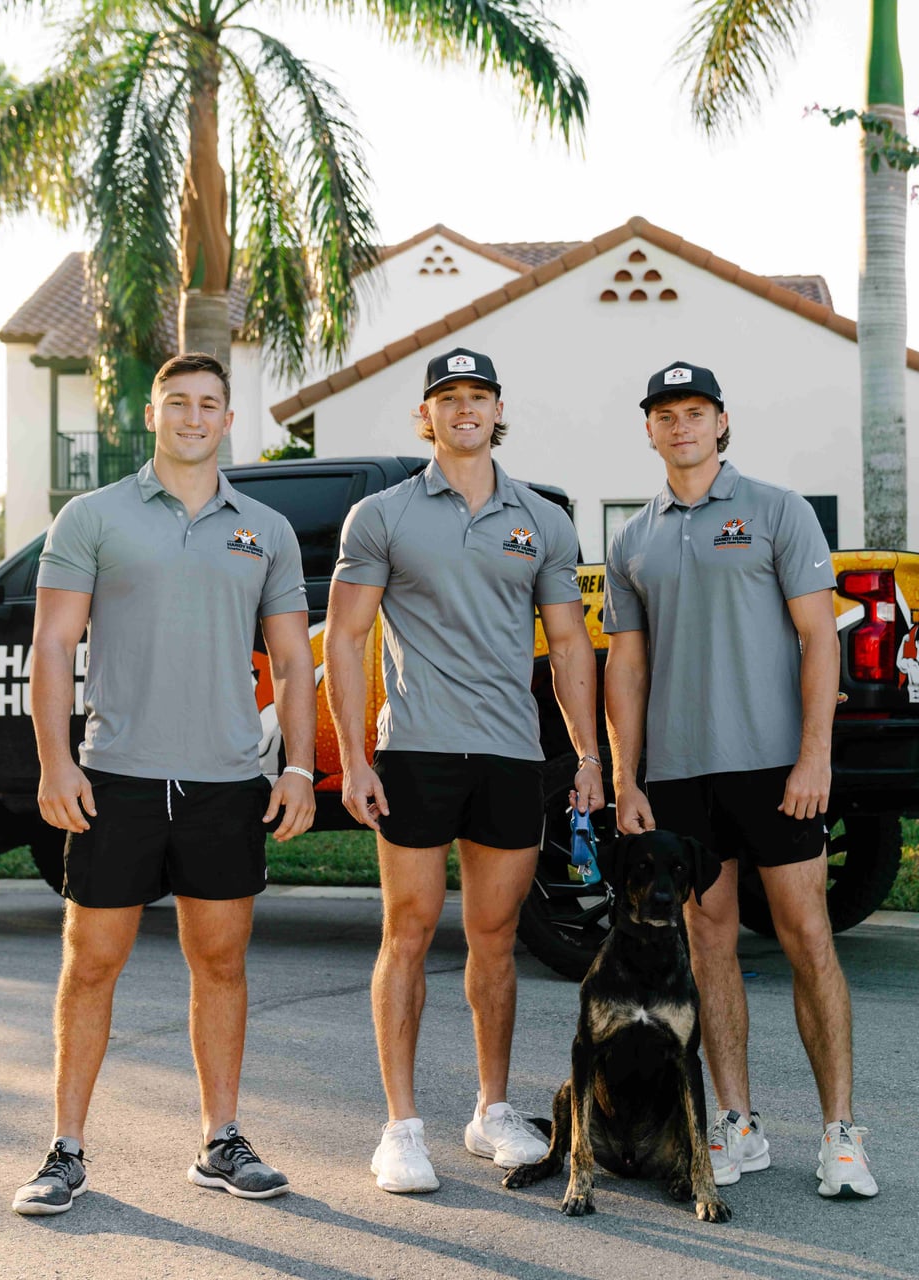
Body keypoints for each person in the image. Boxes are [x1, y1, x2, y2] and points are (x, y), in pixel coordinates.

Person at [11, 351, 319, 1216]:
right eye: (177, 402)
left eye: (209, 404)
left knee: (220, 963)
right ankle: (65, 1149)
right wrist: (55, 760)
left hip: (227, 782)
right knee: (91, 964)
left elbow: (294, 661)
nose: (193, 416)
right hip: (117, 778)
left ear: (228, 420)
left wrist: (298, 767)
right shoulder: (93, 516)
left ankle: (221, 1141)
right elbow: (52, 645)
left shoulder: (266, 528)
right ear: (151, 415)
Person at [324, 347, 603, 1194]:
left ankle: (491, 1111)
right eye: (448, 397)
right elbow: (346, 637)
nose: (465, 408)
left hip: (512, 754)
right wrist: (353, 757)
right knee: (407, 932)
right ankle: (401, 1127)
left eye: (479, 395)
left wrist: (588, 756)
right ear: (428, 414)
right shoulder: (382, 514)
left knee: (494, 938)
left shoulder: (542, 520)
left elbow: (569, 644)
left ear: (498, 408)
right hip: (415, 751)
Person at [602, 360, 877, 1200]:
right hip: (679, 776)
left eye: (696, 412)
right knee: (708, 945)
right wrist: (625, 779)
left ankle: (840, 1135)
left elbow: (820, 637)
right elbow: (627, 665)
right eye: (666, 414)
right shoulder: (633, 539)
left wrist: (815, 755)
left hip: (775, 768)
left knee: (807, 936)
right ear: (648, 430)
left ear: (721, 422)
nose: (681, 425)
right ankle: (737, 1123)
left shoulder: (776, 511)